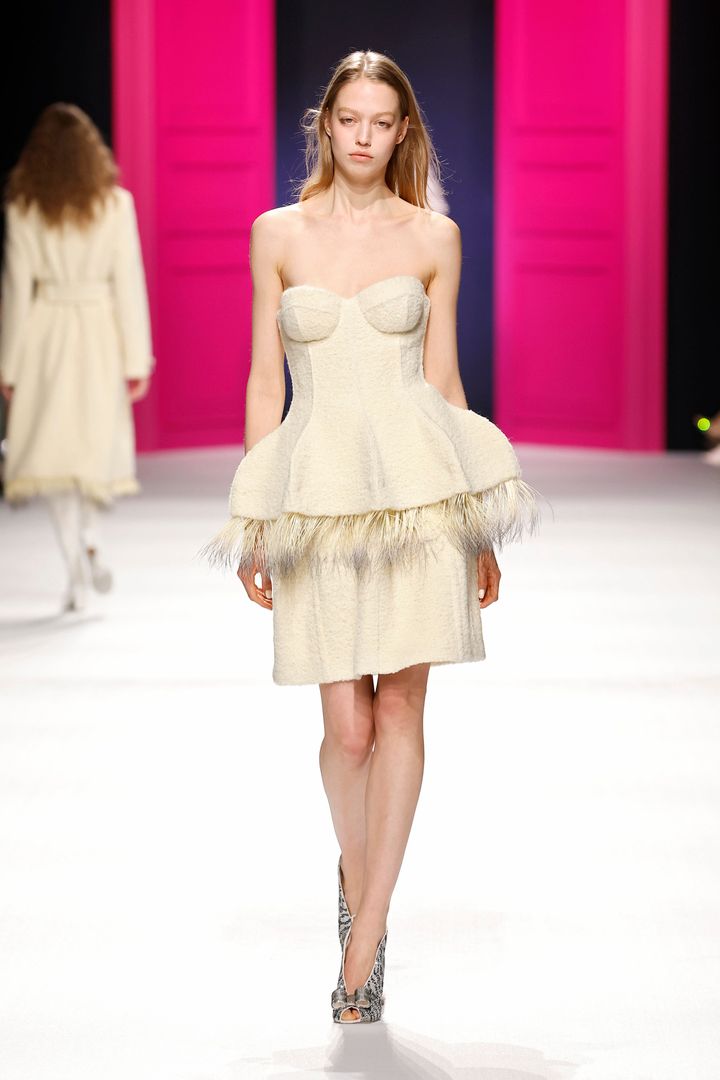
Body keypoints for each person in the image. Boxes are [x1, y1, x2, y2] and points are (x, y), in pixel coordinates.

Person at [200, 51, 543, 1024]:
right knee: (343, 729)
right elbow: (264, 382)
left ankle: (368, 933)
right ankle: (359, 883)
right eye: (347, 118)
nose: (361, 136)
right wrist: (255, 518)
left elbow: (445, 381)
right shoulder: (276, 234)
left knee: (399, 711)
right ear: (325, 125)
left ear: (402, 131)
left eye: (380, 121)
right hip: (317, 493)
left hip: (419, 492)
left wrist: (477, 523)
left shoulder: (435, 236)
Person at [0, 102, 154, 612]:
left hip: (45, 334)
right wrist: (137, 359)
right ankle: (90, 541)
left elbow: (16, 293)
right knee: (90, 450)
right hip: (98, 334)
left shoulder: (24, 208)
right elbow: (128, 284)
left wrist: (9, 367)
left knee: (53, 455)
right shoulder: (115, 205)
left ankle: (75, 574)